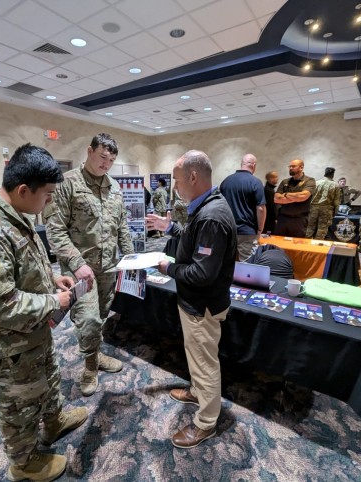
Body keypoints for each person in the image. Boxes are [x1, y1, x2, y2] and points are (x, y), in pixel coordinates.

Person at [0, 144, 88, 481]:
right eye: (48, 194)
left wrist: (53, 277)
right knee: (18, 403)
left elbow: (22, 266)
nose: (51, 201)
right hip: (7, 343)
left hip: (30, 331)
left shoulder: (15, 217)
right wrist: (55, 302)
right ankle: (23, 463)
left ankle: (53, 421)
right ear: (24, 190)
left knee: (46, 378)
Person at [145, 150, 237, 449]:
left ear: (193, 177)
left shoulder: (211, 215)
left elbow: (201, 273)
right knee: (197, 358)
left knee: (204, 363)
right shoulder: (207, 207)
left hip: (203, 304)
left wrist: (167, 267)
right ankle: (198, 392)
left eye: (176, 179)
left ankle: (205, 423)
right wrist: (169, 227)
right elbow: (194, 240)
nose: (175, 186)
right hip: (197, 303)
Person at [48, 133, 134, 396]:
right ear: (89, 151)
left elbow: (122, 227)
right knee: (87, 320)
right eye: (102, 157)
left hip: (108, 267)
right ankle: (89, 366)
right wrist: (75, 262)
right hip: (80, 271)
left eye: (111, 160)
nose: (106, 164)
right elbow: (55, 230)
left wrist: (131, 258)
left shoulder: (114, 188)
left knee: (101, 316)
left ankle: (96, 355)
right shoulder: (68, 183)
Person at [219, 154, 266, 261]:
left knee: (226, 263)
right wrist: (260, 229)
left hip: (227, 230)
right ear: (254, 165)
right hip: (247, 232)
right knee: (247, 266)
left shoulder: (226, 181)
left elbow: (220, 205)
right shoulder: (256, 182)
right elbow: (261, 208)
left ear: (241, 164)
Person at [273, 159, 316, 238]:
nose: (291, 168)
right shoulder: (285, 182)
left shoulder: (309, 181)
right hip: (283, 219)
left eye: (293, 166)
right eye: (290, 166)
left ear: (301, 168)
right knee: (278, 244)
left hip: (299, 220)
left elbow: (303, 196)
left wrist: (285, 194)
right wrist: (296, 198)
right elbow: (276, 199)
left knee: (297, 246)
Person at [306, 167, 341, 239]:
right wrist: (335, 212)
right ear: (333, 174)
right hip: (326, 209)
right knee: (322, 230)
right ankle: (316, 247)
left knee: (309, 228)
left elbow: (309, 196)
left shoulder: (316, 183)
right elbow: (336, 201)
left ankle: (306, 246)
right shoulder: (335, 185)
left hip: (313, 208)